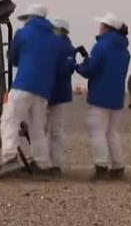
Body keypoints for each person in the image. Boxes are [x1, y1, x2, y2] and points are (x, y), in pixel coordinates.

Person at [0, 4, 65, 179]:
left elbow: (13, 57)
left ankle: (10, 157)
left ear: (30, 18)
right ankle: (42, 164)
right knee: (37, 128)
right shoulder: (56, 39)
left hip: (23, 85)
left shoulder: (23, 34)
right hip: (43, 90)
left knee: (9, 120)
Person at [75, 13, 131, 181]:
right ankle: (118, 166)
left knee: (97, 131)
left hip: (100, 95)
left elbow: (91, 70)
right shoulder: (124, 50)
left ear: (107, 28)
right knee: (112, 132)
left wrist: (78, 66)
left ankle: (101, 166)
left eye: (102, 25)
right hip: (117, 96)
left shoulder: (101, 46)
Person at [46, 17, 77, 175]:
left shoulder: (58, 47)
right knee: (55, 131)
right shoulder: (68, 48)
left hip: (48, 93)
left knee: (44, 129)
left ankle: (45, 162)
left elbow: (63, 70)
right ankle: (54, 164)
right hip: (59, 94)